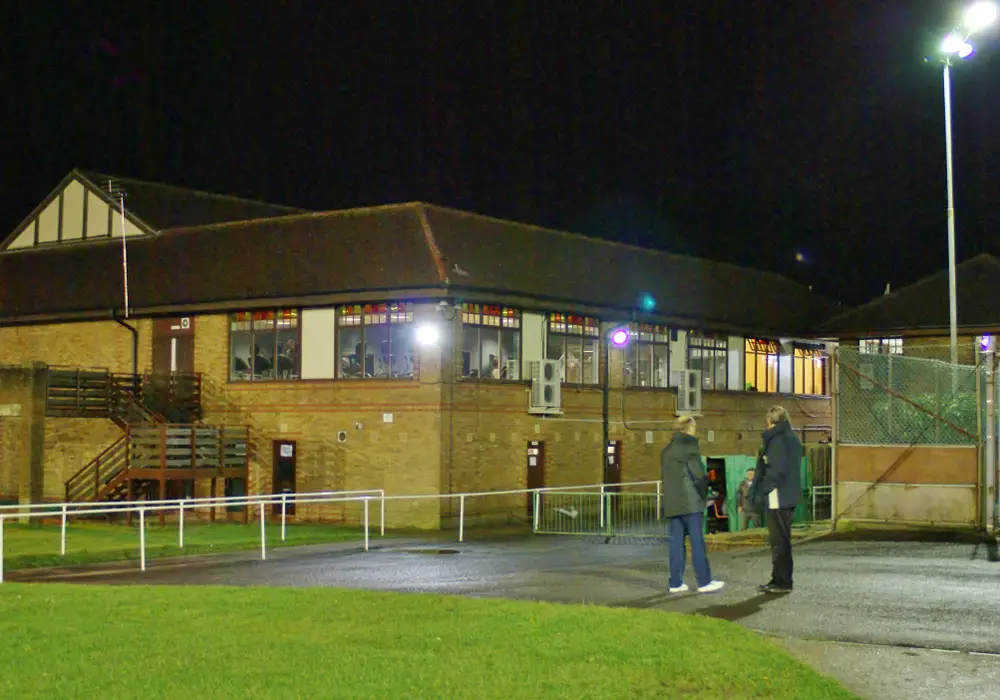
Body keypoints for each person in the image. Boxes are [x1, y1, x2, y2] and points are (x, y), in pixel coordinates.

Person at [660, 416, 725, 594]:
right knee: (697, 543)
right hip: (690, 503)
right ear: (690, 428)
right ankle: (704, 581)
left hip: (672, 503)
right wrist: (704, 496)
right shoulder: (690, 447)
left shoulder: (666, 451)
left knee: (675, 545)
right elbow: (699, 476)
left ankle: (675, 583)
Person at [750, 406, 803, 594]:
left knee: (778, 540)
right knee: (783, 539)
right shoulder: (792, 439)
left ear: (771, 421)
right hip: (788, 496)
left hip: (777, 497)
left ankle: (781, 581)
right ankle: (781, 579)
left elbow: (775, 470)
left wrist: (764, 490)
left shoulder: (777, 441)